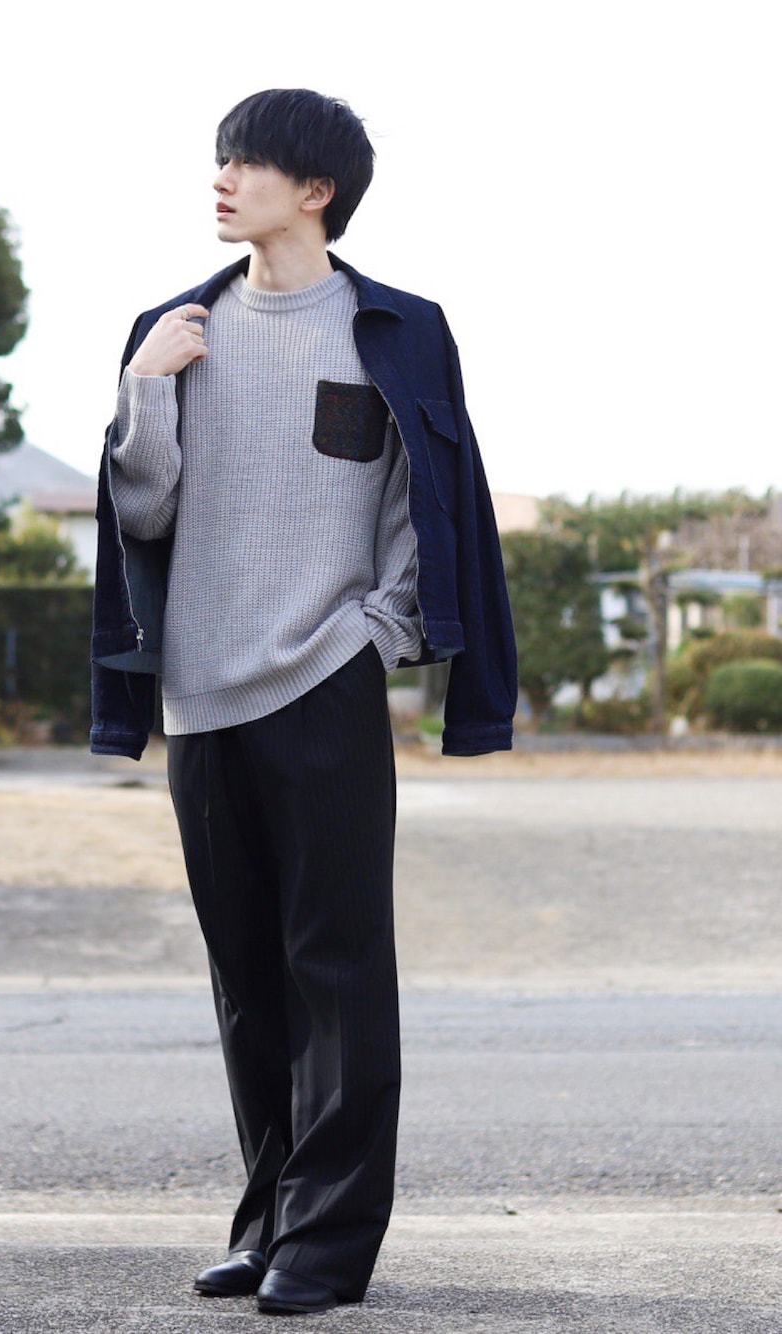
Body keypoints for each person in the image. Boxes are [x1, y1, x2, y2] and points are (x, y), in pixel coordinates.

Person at [90, 88, 517, 1315]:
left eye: (248, 161)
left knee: (336, 969)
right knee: (246, 978)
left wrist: (373, 636)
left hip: (325, 683)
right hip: (199, 695)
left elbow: (428, 499)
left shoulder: (399, 328)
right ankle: (269, 1219)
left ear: (315, 190)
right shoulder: (172, 328)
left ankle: (327, 1245)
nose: (222, 179)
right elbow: (142, 512)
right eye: (220, 159)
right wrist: (147, 389)